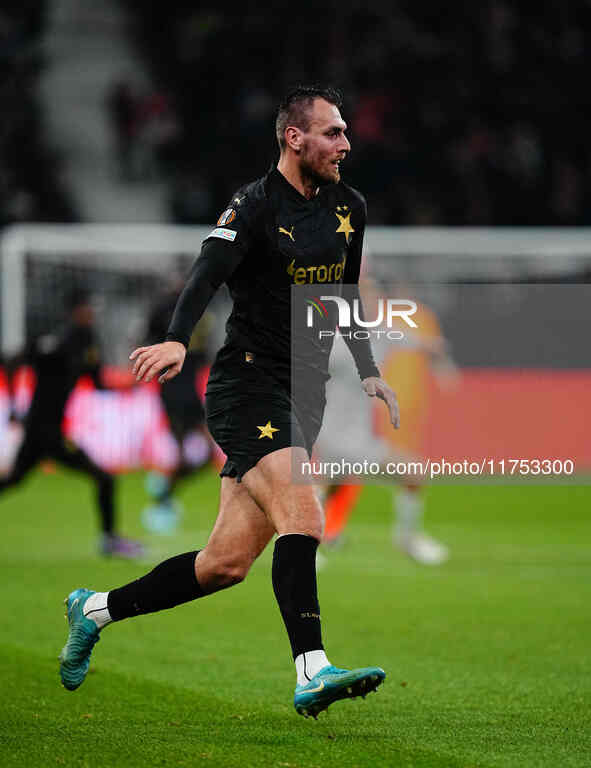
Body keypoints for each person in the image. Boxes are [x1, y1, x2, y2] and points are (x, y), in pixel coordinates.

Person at [59, 86, 399, 718]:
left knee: (224, 565)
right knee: (306, 512)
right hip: (246, 383)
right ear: (294, 137)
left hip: (306, 392)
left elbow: (345, 294)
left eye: (346, 132)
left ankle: (94, 609)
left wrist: (368, 369)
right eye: (332, 133)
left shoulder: (350, 206)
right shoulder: (253, 205)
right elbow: (204, 276)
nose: (346, 144)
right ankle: (312, 670)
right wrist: (174, 339)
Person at [0, 291, 142, 558]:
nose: (92, 313)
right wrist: (12, 406)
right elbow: (11, 363)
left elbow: (98, 381)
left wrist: (129, 382)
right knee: (104, 478)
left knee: (14, 479)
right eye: (88, 307)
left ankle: (110, 540)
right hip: (44, 431)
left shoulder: (87, 340)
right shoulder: (56, 341)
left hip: (45, 430)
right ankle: (110, 541)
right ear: (76, 310)